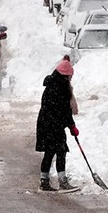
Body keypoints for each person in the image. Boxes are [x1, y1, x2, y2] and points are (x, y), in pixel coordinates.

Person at [36, 56, 78, 192]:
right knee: (61, 151)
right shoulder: (61, 88)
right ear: (65, 75)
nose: (71, 79)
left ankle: (44, 181)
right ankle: (62, 181)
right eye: (70, 76)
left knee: (50, 152)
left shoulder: (52, 84)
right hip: (53, 124)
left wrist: (69, 125)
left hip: (46, 123)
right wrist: (72, 126)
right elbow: (65, 110)